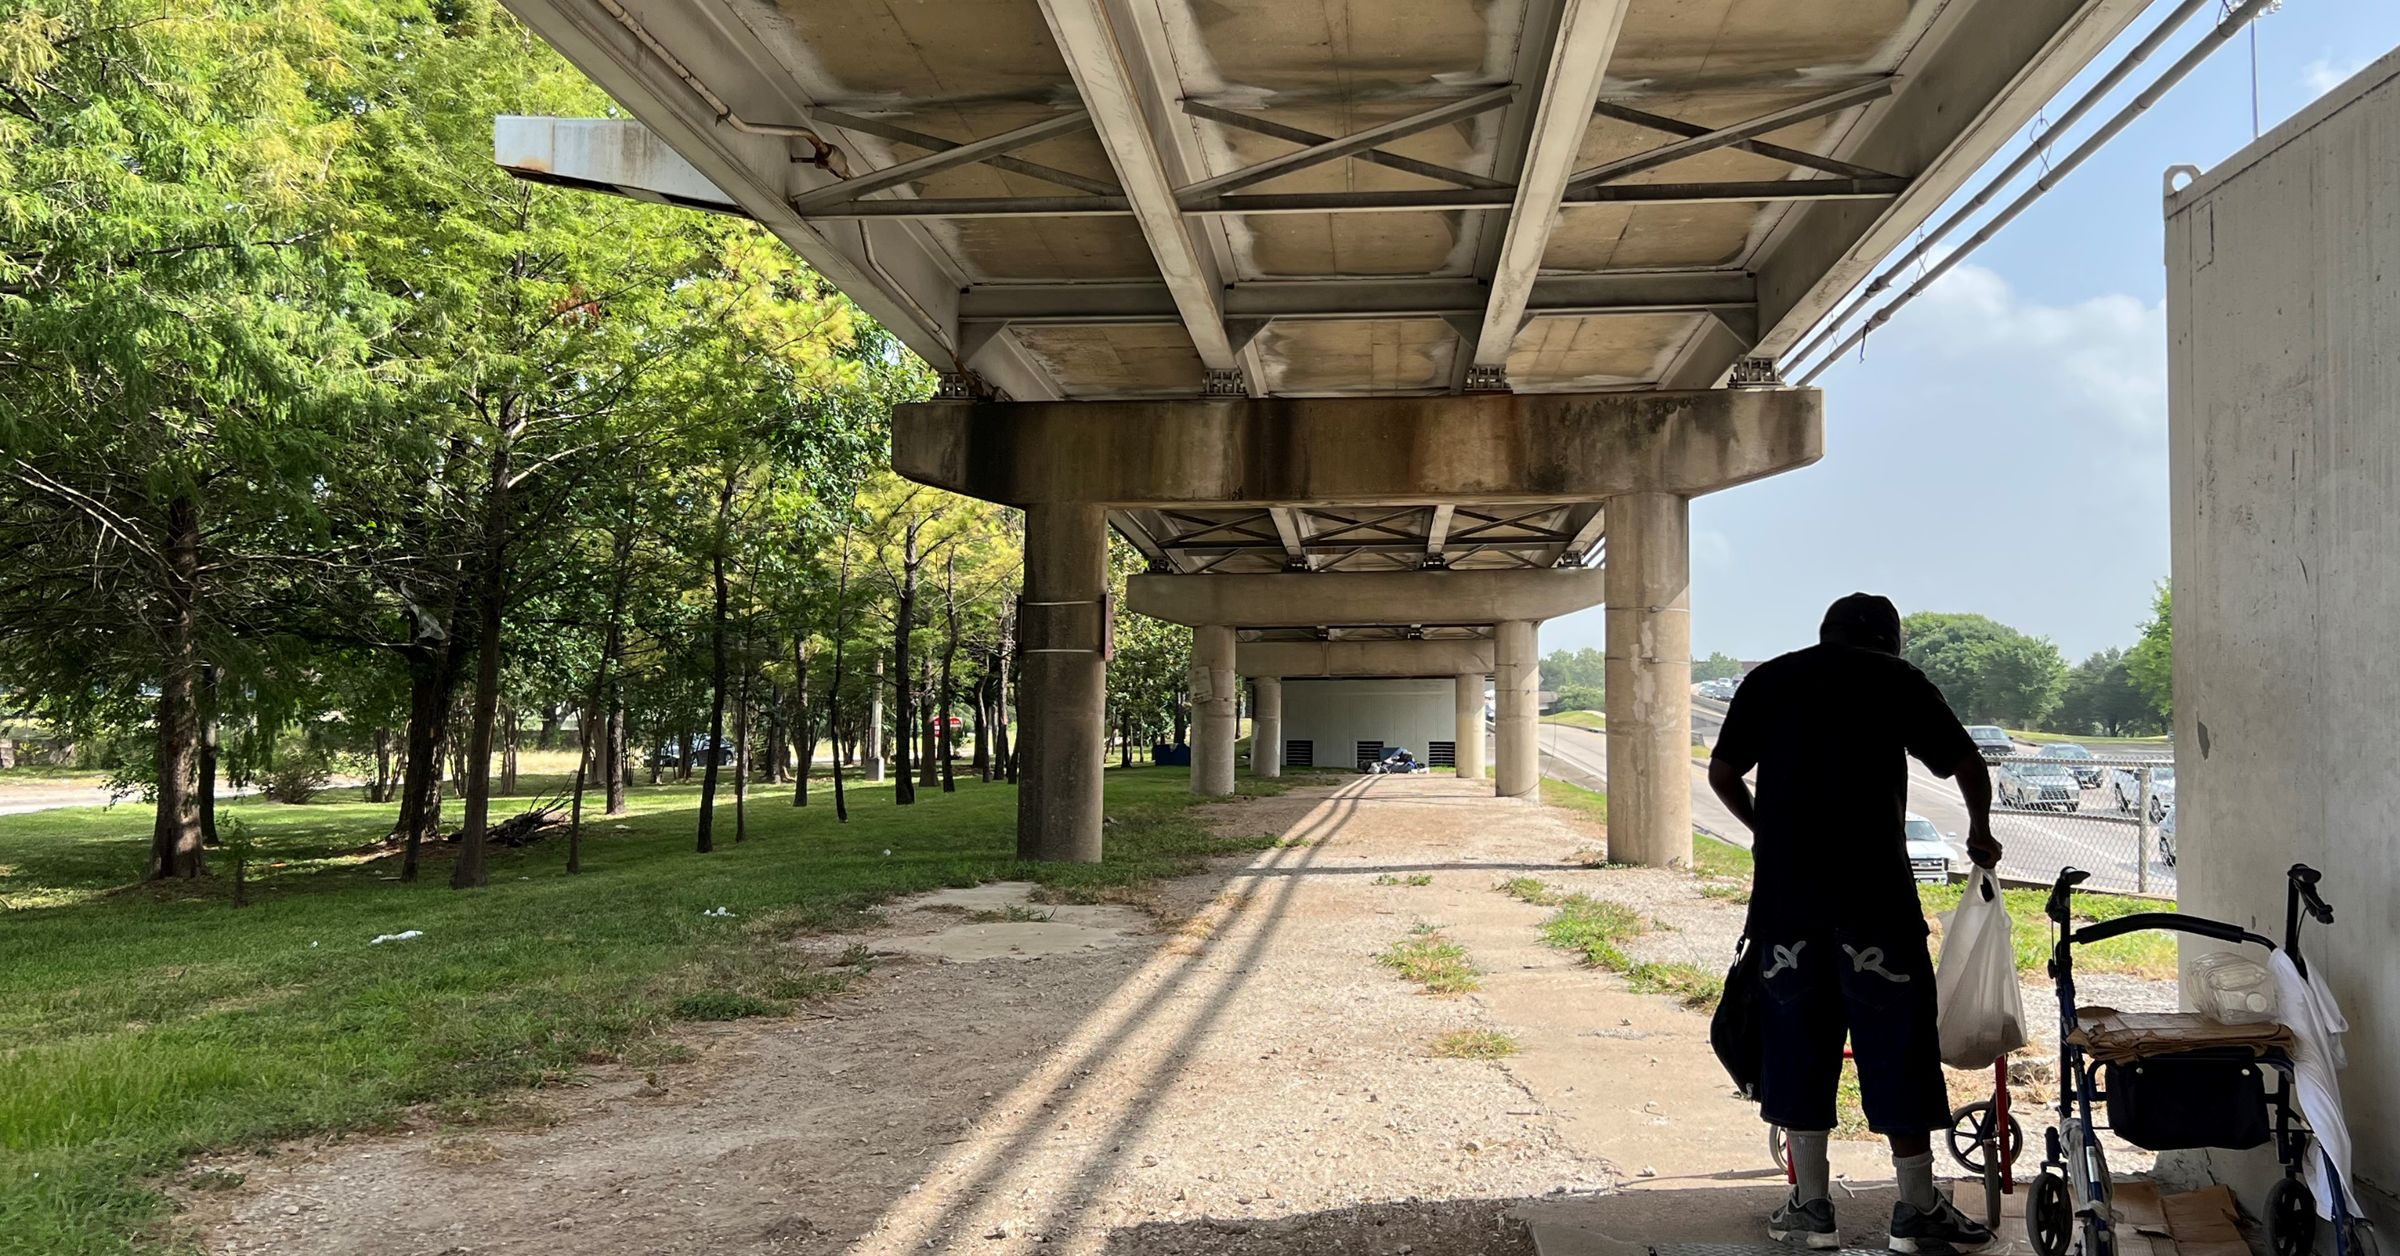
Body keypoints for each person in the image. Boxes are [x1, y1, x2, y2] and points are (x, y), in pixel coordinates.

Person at [1707, 593, 2002, 1254]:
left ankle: (1812, 1208)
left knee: (1795, 1043)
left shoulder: (1771, 679)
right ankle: (1916, 1209)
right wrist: (1980, 833)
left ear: (1826, 632)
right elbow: (1967, 764)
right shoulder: (1894, 680)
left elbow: (1723, 772)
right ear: (1887, 641)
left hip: (1787, 906)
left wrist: (1767, 833)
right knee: (1898, 1044)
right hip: (1876, 902)